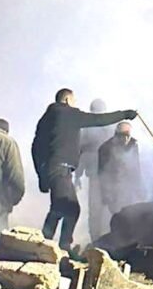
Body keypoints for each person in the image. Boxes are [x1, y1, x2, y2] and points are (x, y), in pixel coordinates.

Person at [31, 89, 137, 250]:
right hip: (62, 168)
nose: (76, 104)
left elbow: (36, 148)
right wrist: (125, 114)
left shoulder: (45, 119)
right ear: (67, 100)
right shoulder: (69, 114)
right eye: (74, 100)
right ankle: (54, 245)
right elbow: (99, 120)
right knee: (70, 208)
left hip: (55, 169)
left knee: (60, 207)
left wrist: (42, 174)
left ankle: (46, 244)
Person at [78, 99, 111, 239]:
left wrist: (77, 174)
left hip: (99, 174)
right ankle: (103, 237)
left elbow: (81, 151)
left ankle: (97, 238)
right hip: (107, 174)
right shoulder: (110, 126)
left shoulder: (88, 127)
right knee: (105, 207)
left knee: (96, 207)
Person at [97, 121, 144, 217]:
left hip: (129, 188)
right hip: (114, 190)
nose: (125, 138)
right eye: (122, 135)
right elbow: (102, 173)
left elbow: (136, 168)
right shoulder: (105, 148)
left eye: (127, 135)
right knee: (118, 216)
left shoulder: (133, 145)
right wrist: (106, 195)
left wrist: (139, 188)